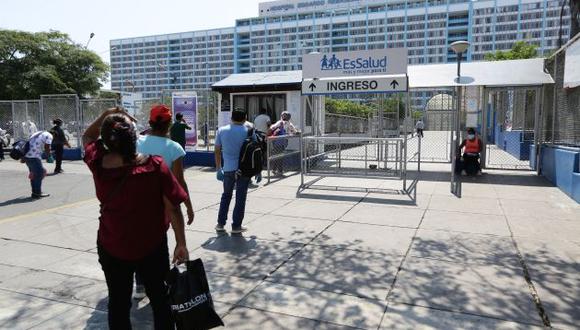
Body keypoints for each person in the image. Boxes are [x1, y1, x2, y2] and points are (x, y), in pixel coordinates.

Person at [82, 107, 189, 330]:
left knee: (118, 302)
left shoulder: (98, 163)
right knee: (160, 299)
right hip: (152, 246)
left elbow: (88, 137)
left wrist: (107, 113)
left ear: (108, 141)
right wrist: (181, 242)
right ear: (134, 136)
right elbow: (173, 207)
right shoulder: (155, 165)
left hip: (112, 244)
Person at [134, 104, 195, 300]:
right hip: (161, 207)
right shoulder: (173, 148)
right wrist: (188, 205)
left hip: (135, 203)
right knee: (158, 244)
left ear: (150, 122)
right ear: (169, 124)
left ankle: (140, 284)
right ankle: (158, 287)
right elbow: (179, 182)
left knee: (139, 241)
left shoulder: (136, 142)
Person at [214, 110, 252, 234]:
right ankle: (236, 226)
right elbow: (254, 151)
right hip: (244, 170)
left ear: (231, 118)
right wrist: (257, 171)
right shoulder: (248, 131)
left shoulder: (221, 130)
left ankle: (220, 224)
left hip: (228, 169)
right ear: (245, 118)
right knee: (240, 198)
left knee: (226, 195)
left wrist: (219, 168)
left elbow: (217, 150)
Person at [23, 130, 53, 199]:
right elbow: (47, 147)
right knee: (39, 174)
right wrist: (49, 156)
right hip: (34, 157)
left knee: (33, 175)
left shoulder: (38, 133)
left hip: (27, 156)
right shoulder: (49, 135)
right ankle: (37, 193)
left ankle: (34, 193)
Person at [269, 111, 299, 176]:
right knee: (279, 156)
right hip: (280, 142)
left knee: (278, 155)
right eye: (285, 116)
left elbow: (272, 128)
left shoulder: (285, 123)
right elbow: (294, 131)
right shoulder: (285, 123)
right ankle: (279, 170)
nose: (286, 117)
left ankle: (275, 169)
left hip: (279, 142)